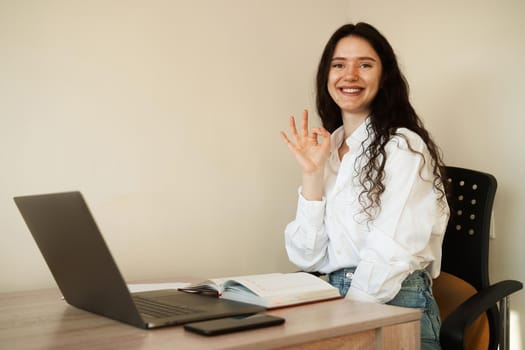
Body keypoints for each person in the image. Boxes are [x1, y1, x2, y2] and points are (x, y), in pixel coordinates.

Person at [280, 22, 450, 349]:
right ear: (326, 76)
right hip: (333, 296)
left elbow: (391, 253)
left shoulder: (403, 148)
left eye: (365, 65)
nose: (350, 74)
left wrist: (346, 321)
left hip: (394, 298)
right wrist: (313, 173)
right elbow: (306, 256)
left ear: (384, 76)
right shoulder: (329, 148)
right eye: (339, 64)